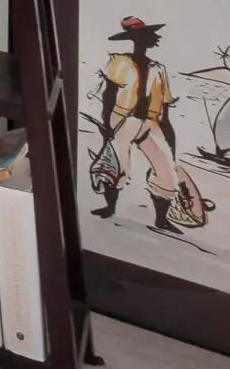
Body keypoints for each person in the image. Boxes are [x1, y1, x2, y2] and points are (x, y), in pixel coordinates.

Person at [90, 15, 211, 233]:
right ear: (134, 39)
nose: (150, 39)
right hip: (123, 119)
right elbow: (109, 94)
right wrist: (107, 124)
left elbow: (164, 106)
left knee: (166, 169)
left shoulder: (158, 68)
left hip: (151, 123)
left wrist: (170, 140)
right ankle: (110, 208)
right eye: (144, 36)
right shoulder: (119, 62)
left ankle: (161, 220)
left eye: (148, 35)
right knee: (116, 164)